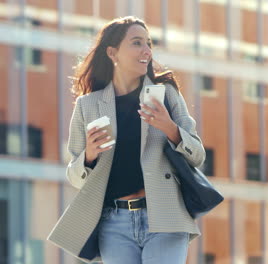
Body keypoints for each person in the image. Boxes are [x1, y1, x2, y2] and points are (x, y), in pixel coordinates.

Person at [47, 16, 205, 264]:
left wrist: (170, 128)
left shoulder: (166, 95)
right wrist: (88, 156)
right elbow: (74, 176)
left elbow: (197, 155)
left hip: (165, 216)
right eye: (137, 43)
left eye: (148, 43)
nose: (147, 50)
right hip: (114, 224)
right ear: (112, 52)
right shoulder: (88, 105)